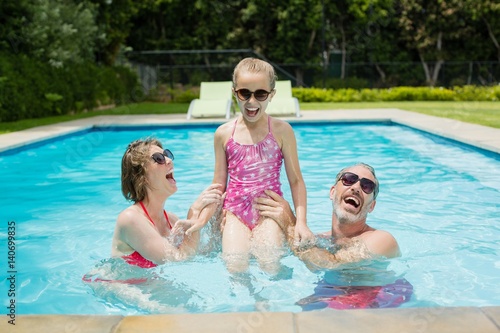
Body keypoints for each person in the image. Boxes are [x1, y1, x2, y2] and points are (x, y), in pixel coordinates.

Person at [189, 58, 314, 274]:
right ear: (234, 92)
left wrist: (301, 222)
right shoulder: (223, 134)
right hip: (235, 212)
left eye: (260, 94)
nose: (251, 101)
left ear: (271, 95)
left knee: (270, 264)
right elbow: (218, 185)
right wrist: (202, 219)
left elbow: (296, 180)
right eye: (244, 93)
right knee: (235, 266)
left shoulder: (282, 131)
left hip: (269, 211)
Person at [255, 162, 401, 271]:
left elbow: (331, 265)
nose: (356, 187)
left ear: (372, 206)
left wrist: (291, 223)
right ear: (332, 192)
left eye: (367, 186)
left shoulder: (382, 239)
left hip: (375, 306)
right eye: (349, 179)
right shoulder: (320, 240)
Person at [110, 138, 224, 268]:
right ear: (141, 176)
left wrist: (216, 228)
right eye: (159, 158)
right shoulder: (130, 219)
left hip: (149, 285)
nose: (169, 160)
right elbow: (178, 259)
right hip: (123, 286)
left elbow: (195, 255)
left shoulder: (172, 220)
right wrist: (194, 213)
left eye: (167, 155)